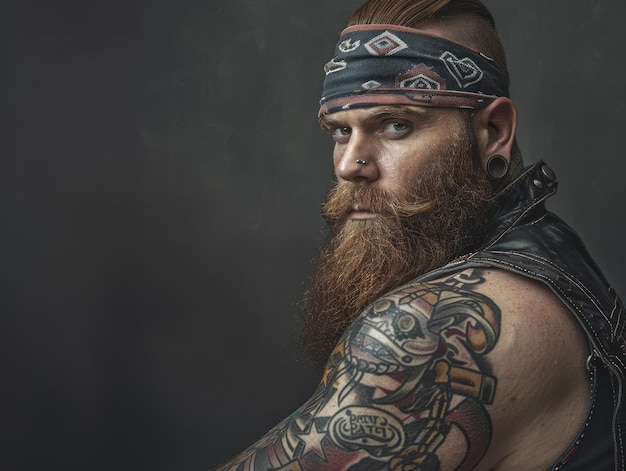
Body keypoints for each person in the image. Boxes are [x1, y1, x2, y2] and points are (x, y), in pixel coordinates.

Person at [215, 0, 625, 469]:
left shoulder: (434, 328)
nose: (350, 165)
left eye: (396, 125)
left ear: (493, 130)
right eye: (340, 132)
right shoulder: (548, 248)